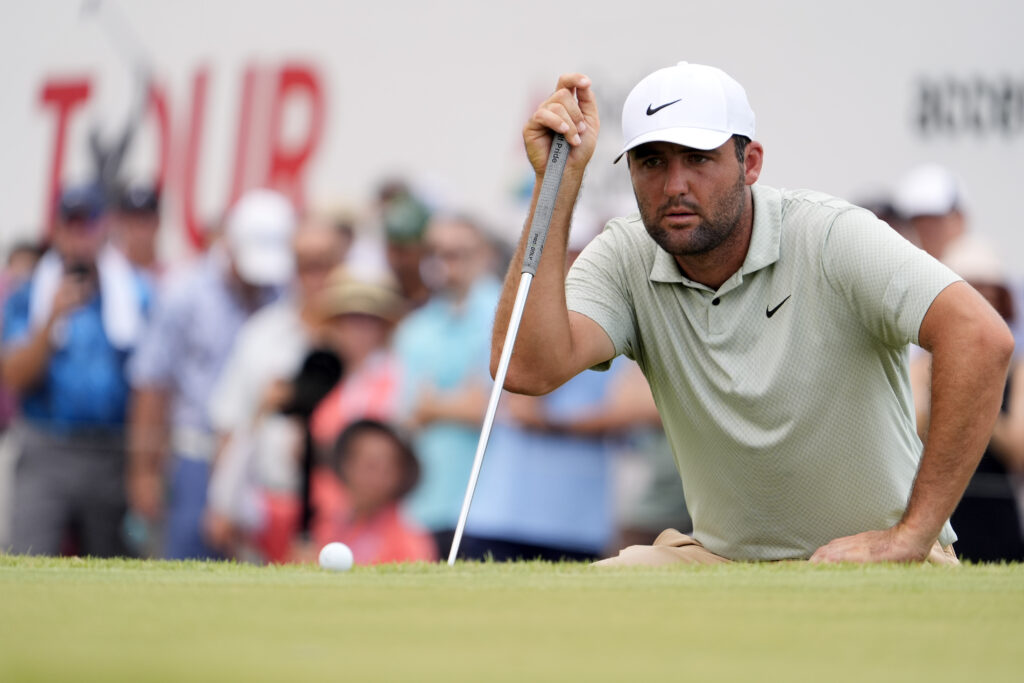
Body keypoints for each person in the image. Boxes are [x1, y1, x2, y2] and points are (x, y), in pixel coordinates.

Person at [497, 62, 1013, 565]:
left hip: (877, 561)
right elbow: (526, 368)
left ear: (751, 163)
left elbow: (981, 337)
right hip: (720, 560)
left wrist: (913, 535)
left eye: (697, 158)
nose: (674, 184)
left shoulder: (831, 234)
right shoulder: (625, 253)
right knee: (598, 604)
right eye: (651, 161)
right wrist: (556, 184)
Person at [126, 188, 295, 559]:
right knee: (189, 564)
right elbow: (153, 384)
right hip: (195, 455)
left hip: (259, 461)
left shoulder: (283, 291)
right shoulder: (184, 293)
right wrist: (143, 472)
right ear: (229, 245)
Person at [2, 185, 150, 556]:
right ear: (58, 230)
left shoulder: (135, 293)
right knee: (28, 558)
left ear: (106, 228)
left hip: (112, 452)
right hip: (47, 447)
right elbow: (15, 376)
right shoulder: (29, 293)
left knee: (113, 569)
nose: (81, 235)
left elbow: (151, 382)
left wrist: (144, 464)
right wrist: (51, 319)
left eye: (89, 224)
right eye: (73, 225)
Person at [203, 217, 349, 561]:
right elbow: (230, 425)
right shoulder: (262, 334)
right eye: (305, 266)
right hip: (268, 505)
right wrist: (223, 503)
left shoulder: (363, 336)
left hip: (343, 511)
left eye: (324, 264)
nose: (315, 277)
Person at [393, 214, 501, 558]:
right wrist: (455, 403)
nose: (445, 263)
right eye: (436, 252)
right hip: (426, 502)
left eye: (458, 253)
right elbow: (406, 413)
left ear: (485, 255)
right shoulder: (416, 327)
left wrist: (432, 406)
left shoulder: (508, 313)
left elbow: (490, 408)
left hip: (490, 505)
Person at [910, 235, 1024, 562]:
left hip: (999, 523)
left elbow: (1019, 451)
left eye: (991, 296)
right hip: (941, 520)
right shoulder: (922, 367)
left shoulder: (1017, 372)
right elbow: (909, 437)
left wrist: (972, 394)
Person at [306, 419, 437, 565]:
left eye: (389, 468)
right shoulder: (327, 525)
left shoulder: (410, 541)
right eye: (371, 466)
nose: (380, 477)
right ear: (345, 465)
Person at [892, 164, 968, 261]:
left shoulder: (978, 270)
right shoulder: (901, 266)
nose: (927, 233)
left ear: (960, 219)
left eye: (936, 222)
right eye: (916, 223)